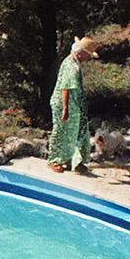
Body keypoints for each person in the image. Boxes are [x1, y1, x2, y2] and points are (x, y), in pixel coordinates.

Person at [47, 37, 97, 172]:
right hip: (65, 104)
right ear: (81, 52)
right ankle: (54, 160)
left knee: (76, 132)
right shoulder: (71, 66)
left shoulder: (73, 62)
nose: (88, 59)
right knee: (61, 131)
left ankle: (73, 161)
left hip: (74, 105)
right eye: (88, 55)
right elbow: (65, 88)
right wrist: (65, 109)